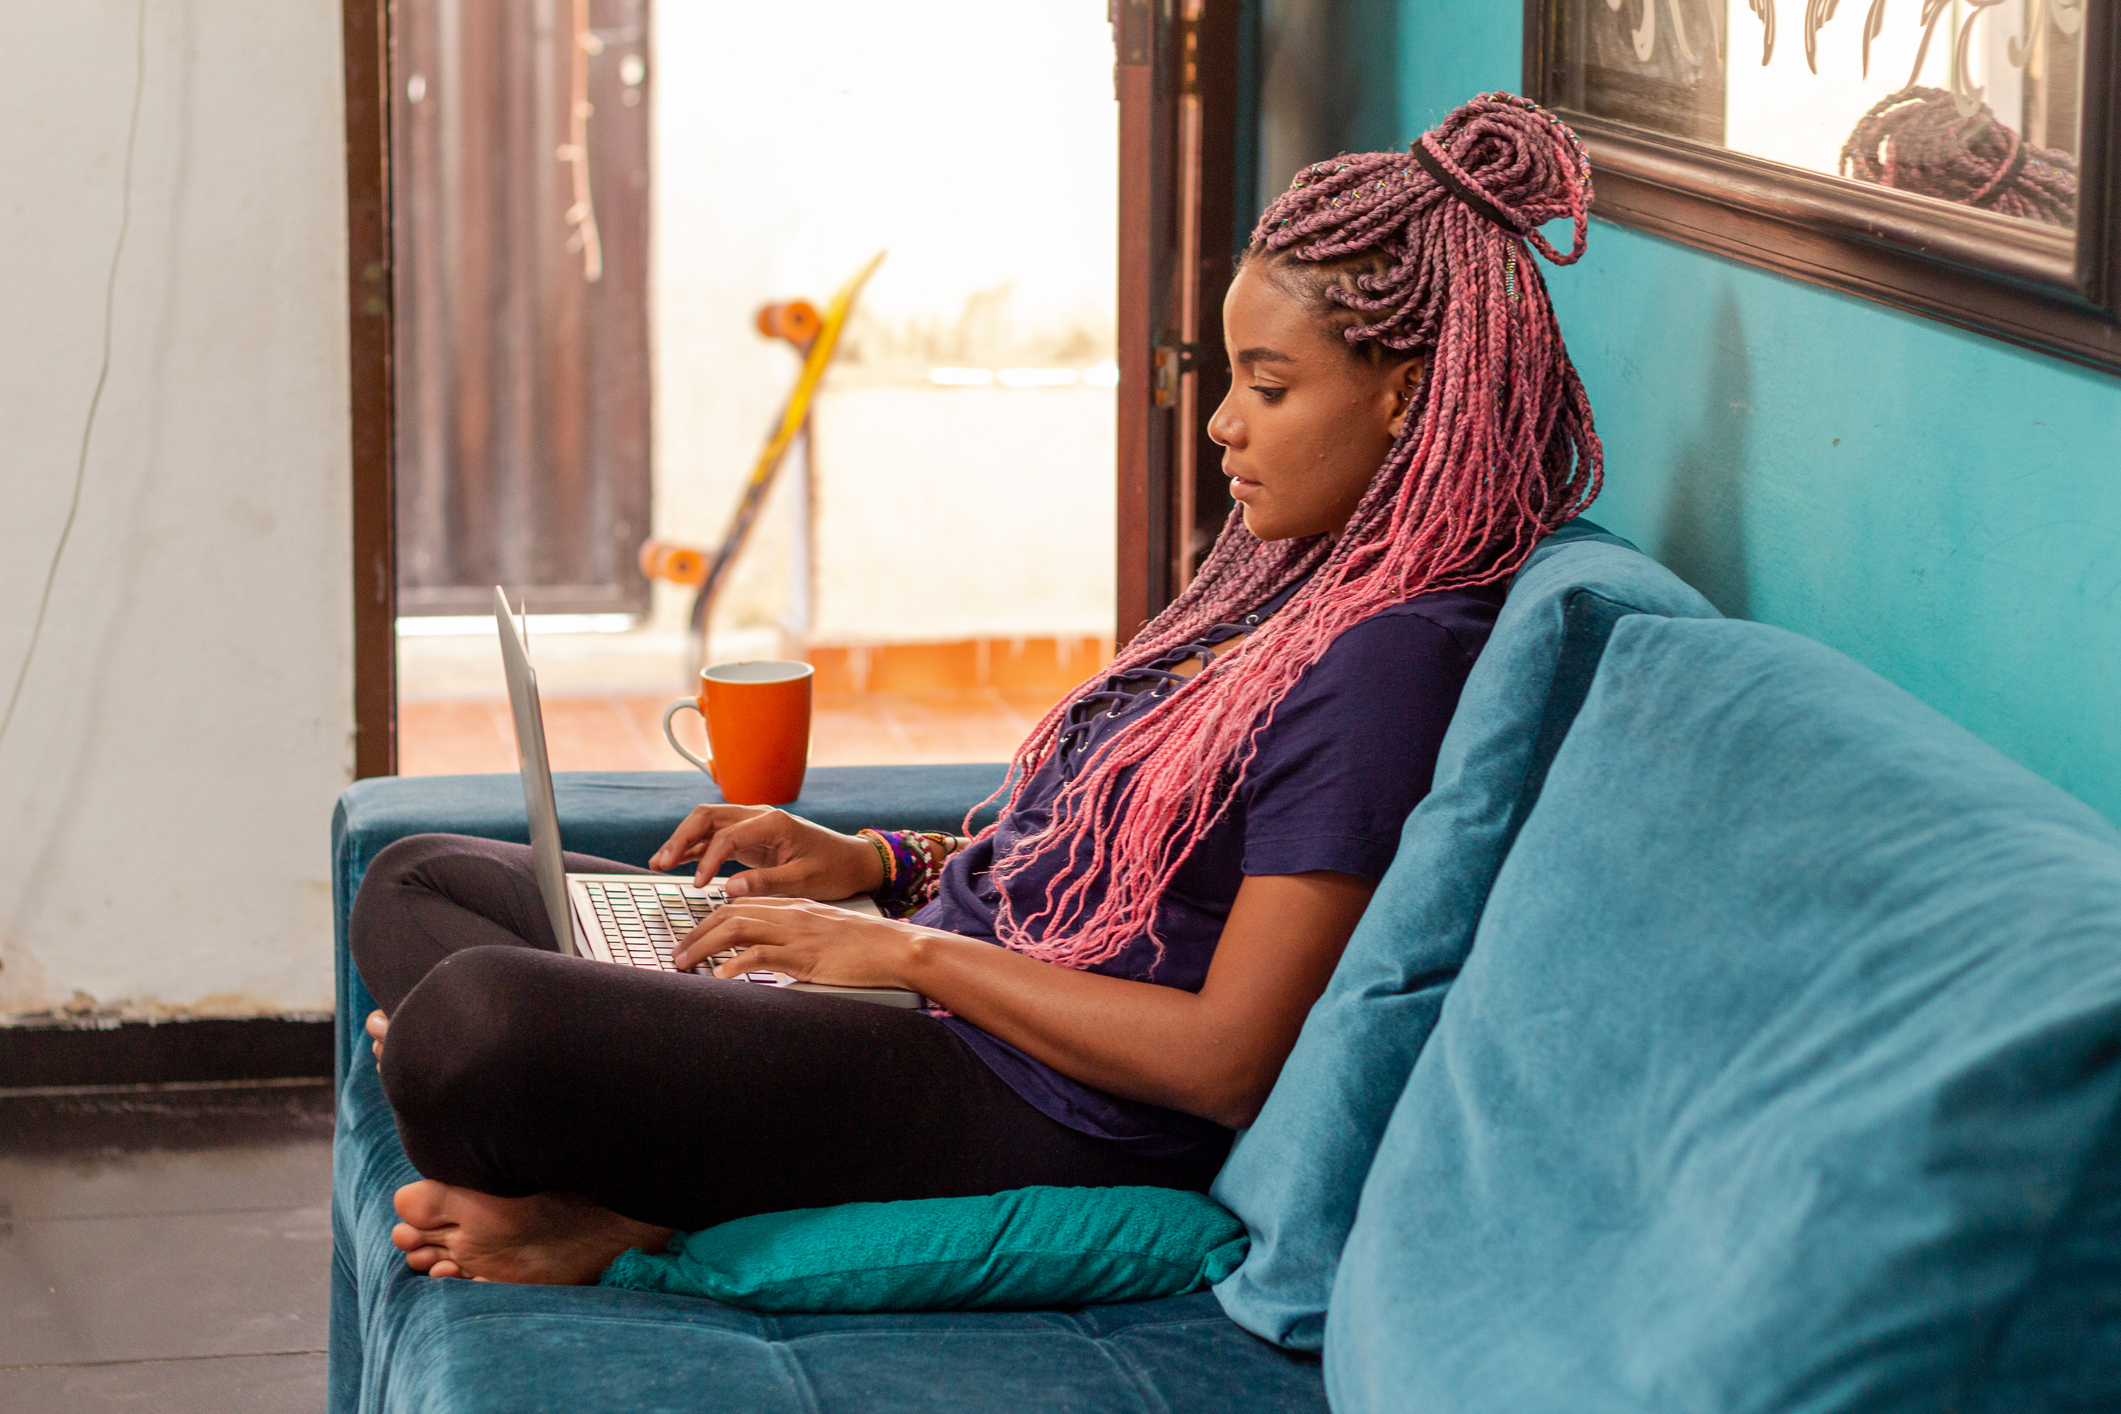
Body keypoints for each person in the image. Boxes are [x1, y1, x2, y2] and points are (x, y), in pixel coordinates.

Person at [353, 91, 1603, 1285]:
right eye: (1233, 379)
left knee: (472, 1027)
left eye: (1268, 388)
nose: (1223, 424)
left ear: (1405, 397)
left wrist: (901, 954)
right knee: (419, 884)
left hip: (1030, 1097)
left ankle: (609, 1199)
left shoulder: (1388, 657)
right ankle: (564, 1145)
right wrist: (876, 864)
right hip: (947, 984)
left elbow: (1228, 1061)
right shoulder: (1285, 579)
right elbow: (1109, 867)